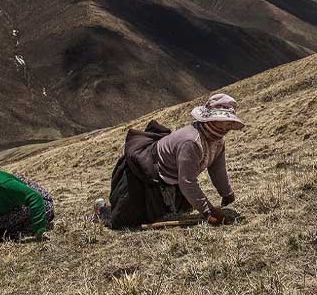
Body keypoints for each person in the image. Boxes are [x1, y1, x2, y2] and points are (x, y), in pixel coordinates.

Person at [95, 93, 244, 229]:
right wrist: (207, 210)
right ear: (212, 119)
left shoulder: (217, 141)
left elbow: (217, 169)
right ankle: (101, 210)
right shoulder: (191, 142)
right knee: (126, 221)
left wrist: (226, 193)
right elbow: (187, 181)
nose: (228, 125)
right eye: (225, 120)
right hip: (146, 173)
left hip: (171, 179)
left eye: (229, 121)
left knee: (169, 212)